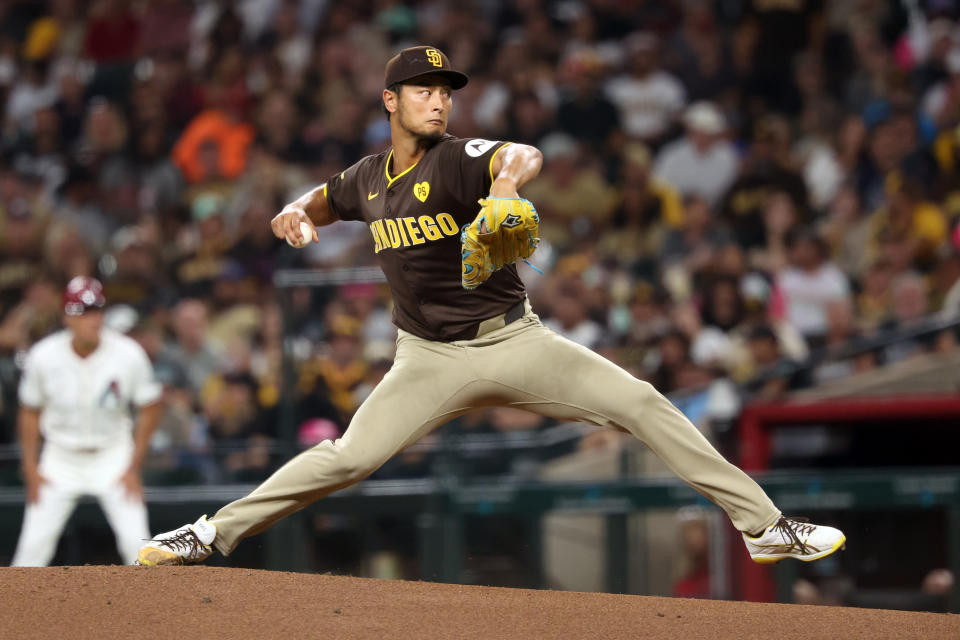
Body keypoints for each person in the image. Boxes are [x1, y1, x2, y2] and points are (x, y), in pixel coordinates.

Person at [138, 46, 845, 568]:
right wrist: (294, 211)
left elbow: (523, 153)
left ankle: (764, 527)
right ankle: (210, 532)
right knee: (346, 457)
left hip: (515, 341)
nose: (438, 101)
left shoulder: (457, 158)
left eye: (445, 91)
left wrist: (506, 182)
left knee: (643, 402)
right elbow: (327, 197)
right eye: (422, 91)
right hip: (427, 359)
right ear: (390, 101)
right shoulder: (367, 179)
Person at [12, 276, 162, 566]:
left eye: (97, 310)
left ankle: (156, 611)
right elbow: (29, 411)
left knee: (139, 546)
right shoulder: (44, 356)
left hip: (112, 455)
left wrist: (134, 465)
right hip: (60, 458)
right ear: (66, 316)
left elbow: (151, 406)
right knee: (30, 552)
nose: (93, 319)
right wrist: (31, 468)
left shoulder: (127, 353)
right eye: (83, 311)